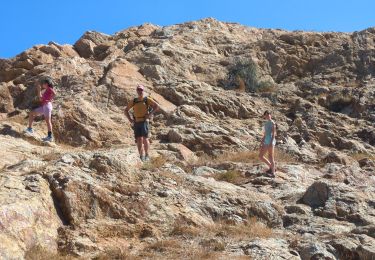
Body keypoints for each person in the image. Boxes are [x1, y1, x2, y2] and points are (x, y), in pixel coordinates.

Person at [125, 85, 159, 161]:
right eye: (138, 90)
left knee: (145, 138)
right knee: (138, 139)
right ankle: (141, 156)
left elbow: (156, 106)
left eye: (141, 90)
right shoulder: (134, 101)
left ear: (143, 91)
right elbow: (126, 110)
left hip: (144, 121)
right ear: (137, 91)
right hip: (136, 122)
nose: (140, 91)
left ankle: (147, 155)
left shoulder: (147, 99)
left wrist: (150, 114)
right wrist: (130, 119)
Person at [25, 77, 56, 142]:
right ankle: (30, 129)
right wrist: (39, 90)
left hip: (47, 106)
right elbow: (40, 99)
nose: (42, 85)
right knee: (31, 113)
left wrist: (50, 100)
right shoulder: (45, 91)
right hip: (43, 107)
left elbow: (54, 94)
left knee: (48, 121)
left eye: (43, 83)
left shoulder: (49, 89)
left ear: (47, 84)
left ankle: (50, 137)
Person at [259, 110, 276, 176]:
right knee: (261, 156)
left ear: (270, 115)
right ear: (264, 116)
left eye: (269, 114)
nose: (268, 115)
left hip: (271, 141)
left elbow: (274, 133)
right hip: (266, 140)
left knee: (270, 156)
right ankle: (272, 168)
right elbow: (265, 134)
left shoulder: (272, 122)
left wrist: (271, 142)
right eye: (266, 114)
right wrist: (261, 142)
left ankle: (273, 172)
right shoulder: (265, 124)